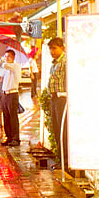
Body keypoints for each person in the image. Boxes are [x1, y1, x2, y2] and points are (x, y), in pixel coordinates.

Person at [45, 38, 67, 168]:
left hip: (62, 98)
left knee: (63, 130)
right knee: (57, 130)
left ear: (62, 48)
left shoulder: (65, 62)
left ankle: (65, 161)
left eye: (54, 48)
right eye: (50, 49)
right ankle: (61, 160)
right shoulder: (55, 63)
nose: (52, 51)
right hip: (54, 98)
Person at [0, 50, 22, 146]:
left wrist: (2, 61)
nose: (6, 58)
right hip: (5, 94)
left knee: (13, 116)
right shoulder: (6, 68)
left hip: (12, 94)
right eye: (5, 56)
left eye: (8, 56)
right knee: (6, 116)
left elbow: (5, 65)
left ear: (13, 57)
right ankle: (9, 137)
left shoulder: (15, 66)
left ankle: (16, 138)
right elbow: (0, 80)